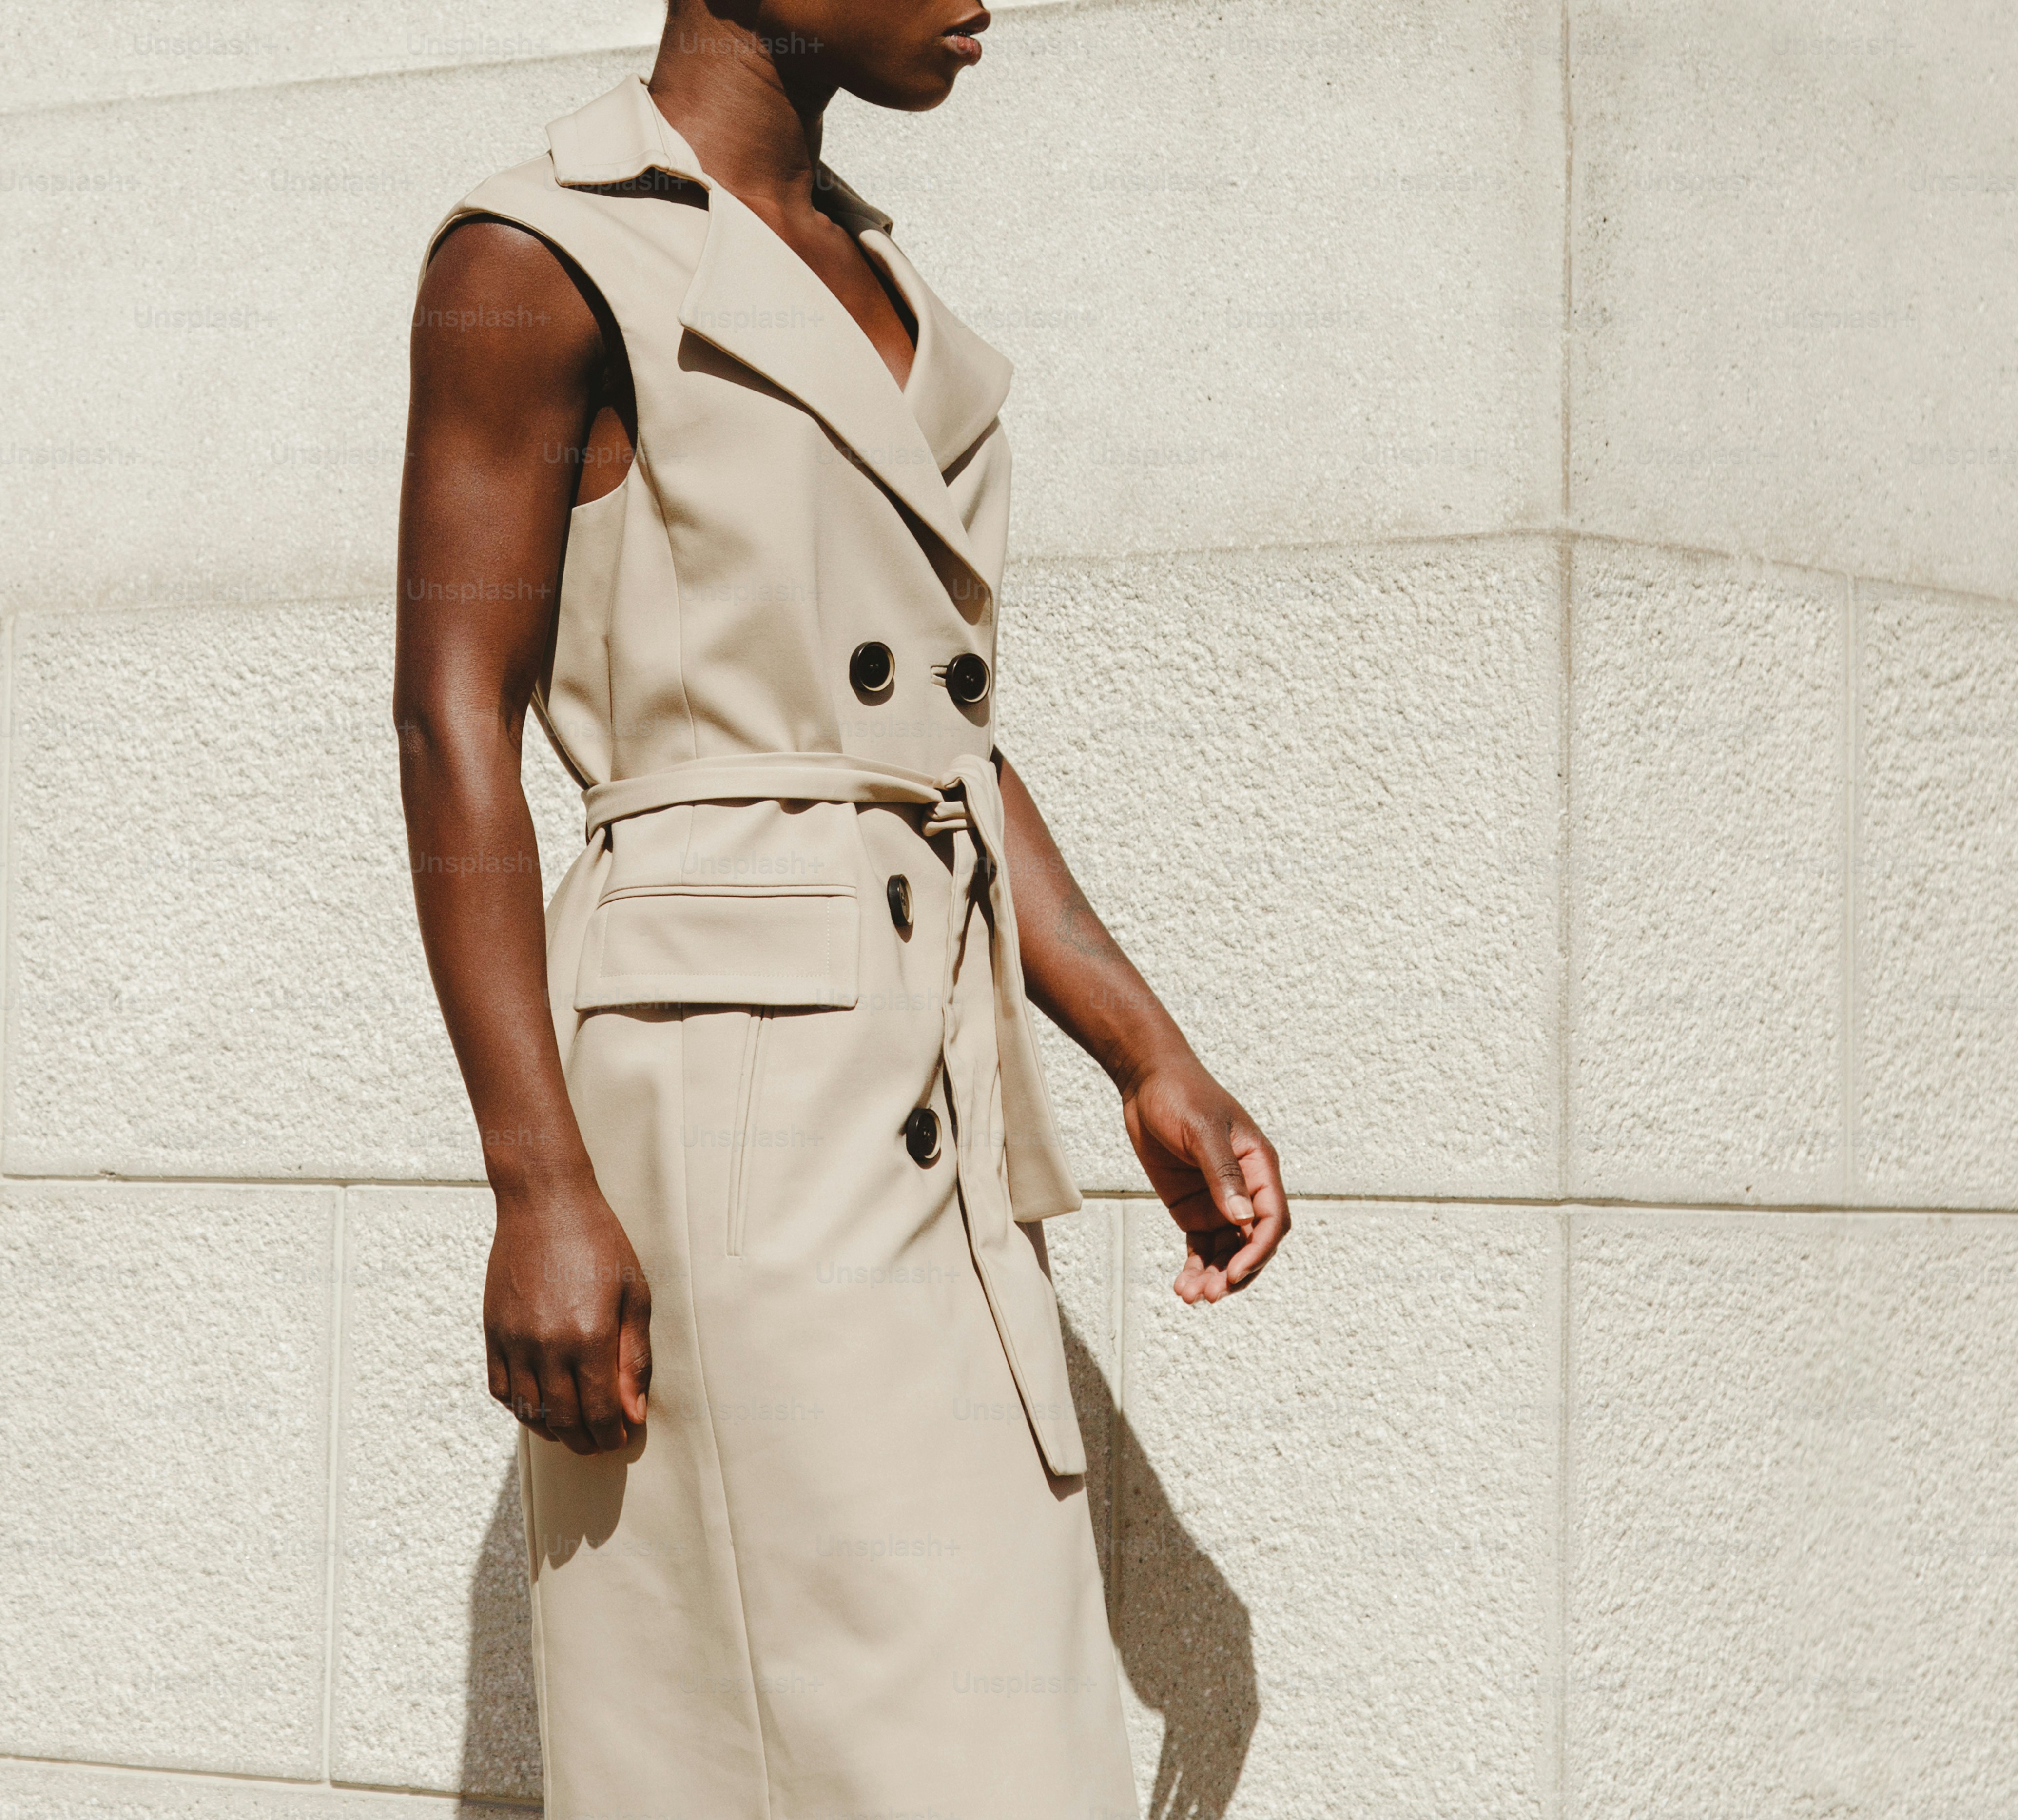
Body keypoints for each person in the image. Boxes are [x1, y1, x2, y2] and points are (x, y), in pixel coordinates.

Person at [391, 1, 1292, 1814]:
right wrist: (537, 1180)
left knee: (988, 1727)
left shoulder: (874, 282)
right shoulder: (541, 253)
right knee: (790, 1730)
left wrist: (1148, 1053)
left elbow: (935, 745)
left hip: (925, 1094)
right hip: (721, 1089)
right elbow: (450, 709)